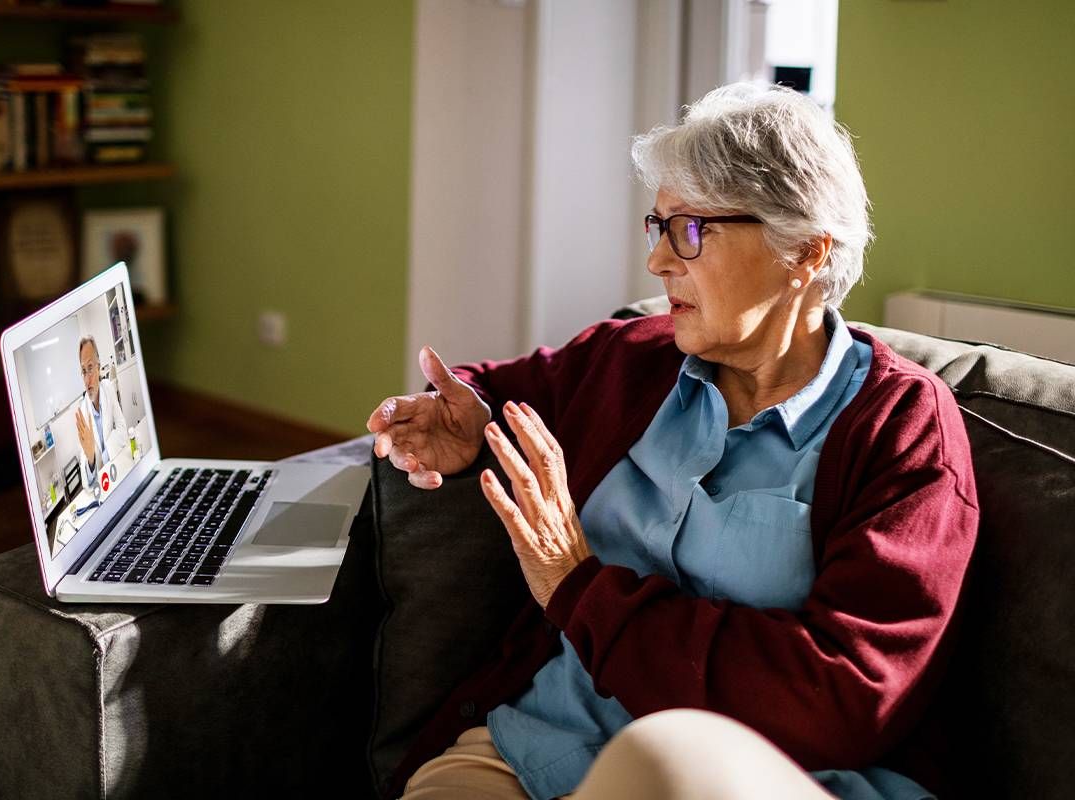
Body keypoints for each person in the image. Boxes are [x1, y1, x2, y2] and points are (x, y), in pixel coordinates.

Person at [367, 83, 977, 800]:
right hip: (541, 745)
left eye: (690, 231)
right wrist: (464, 418)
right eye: (656, 224)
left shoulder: (901, 427)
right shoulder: (632, 359)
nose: (657, 261)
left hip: (765, 778)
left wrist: (577, 585)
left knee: (663, 763)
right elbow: (500, 390)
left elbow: (845, 696)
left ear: (805, 253)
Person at [74, 335, 128, 492]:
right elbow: (87, 483)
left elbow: (122, 427)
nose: (86, 379)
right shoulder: (82, 414)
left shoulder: (108, 388)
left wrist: (104, 457)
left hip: (119, 466)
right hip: (102, 486)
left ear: (98, 367)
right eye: (83, 371)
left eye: (90, 368)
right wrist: (91, 459)